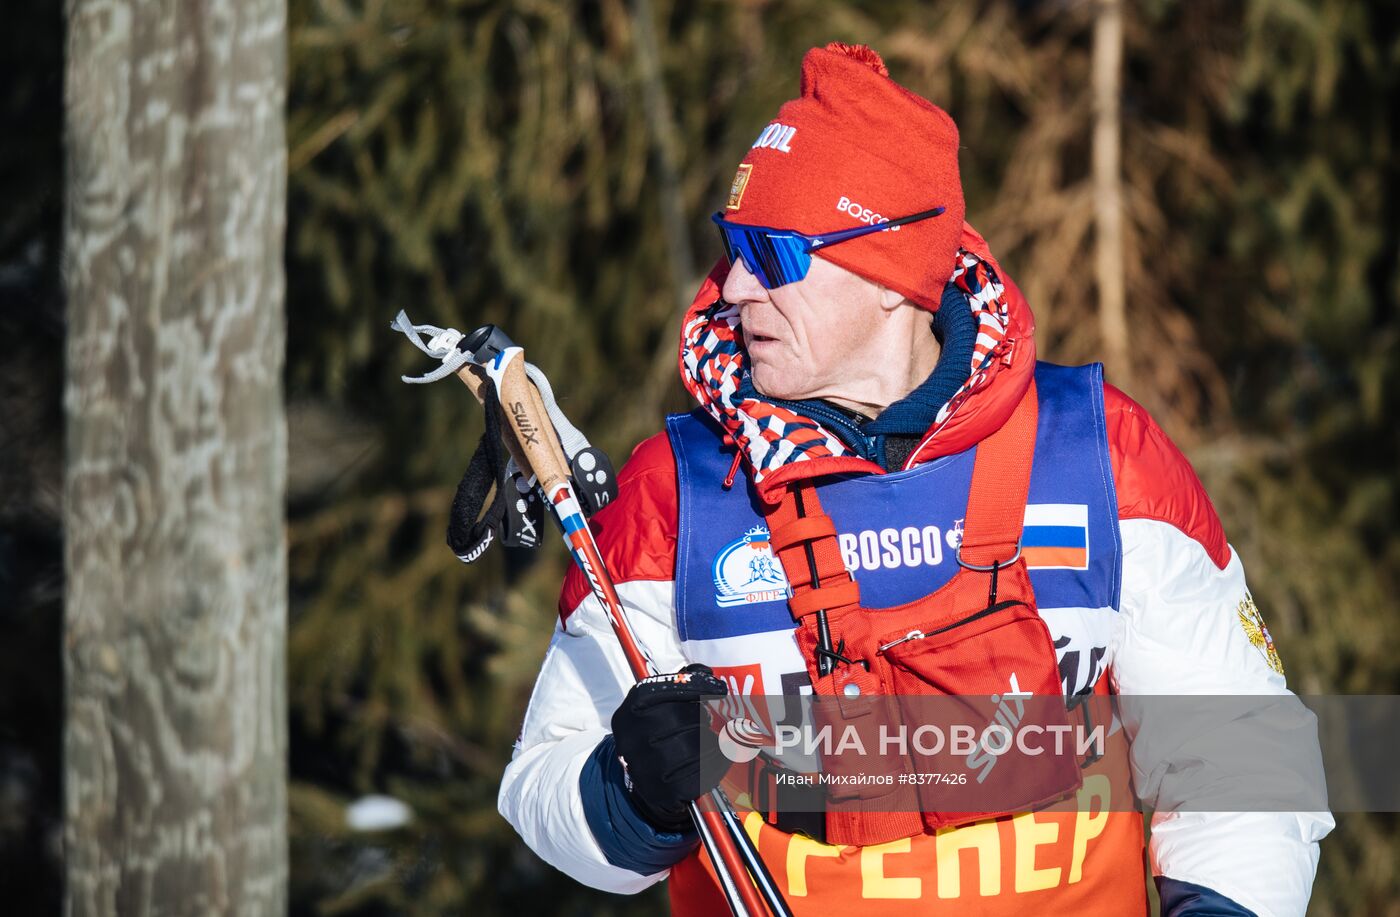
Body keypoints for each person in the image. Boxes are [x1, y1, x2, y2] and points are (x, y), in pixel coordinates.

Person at [499, 42, 1331, 915]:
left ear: (889, 271)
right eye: (731, 245)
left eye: (773, 253)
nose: (736, 285)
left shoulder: (1100, 455)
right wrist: (631, 793)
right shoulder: (677, 492)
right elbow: (543, 778)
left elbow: (1240, 757)